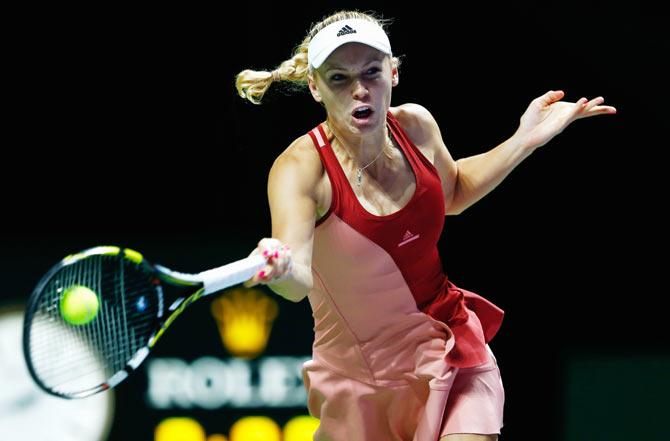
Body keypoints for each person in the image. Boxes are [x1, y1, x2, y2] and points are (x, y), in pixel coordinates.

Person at [236, 10, 616, 441]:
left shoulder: (415, 126)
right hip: (361, 382)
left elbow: (454, 191)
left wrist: (524, 139)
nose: (360, 90)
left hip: (448, 344)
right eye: (339, 78)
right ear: (315, 88)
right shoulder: (300, 169)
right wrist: (280, 271)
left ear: (393, 73)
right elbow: (297, 280)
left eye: (372, 72)